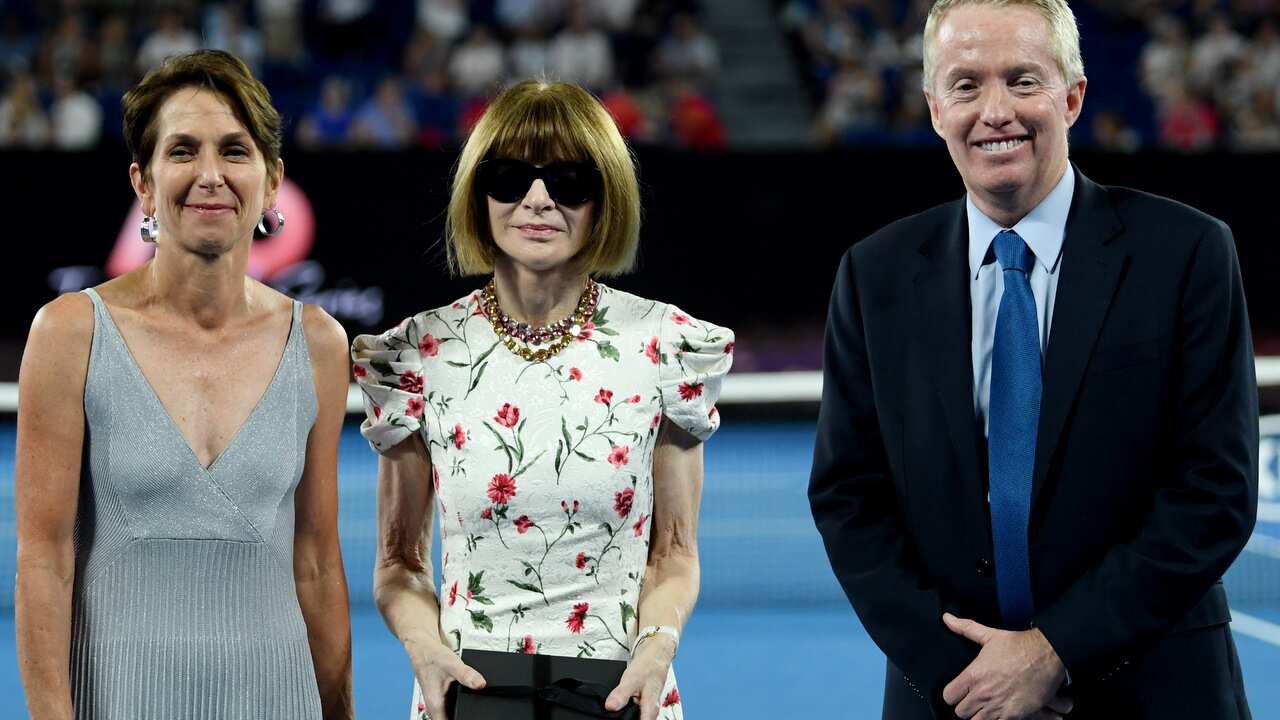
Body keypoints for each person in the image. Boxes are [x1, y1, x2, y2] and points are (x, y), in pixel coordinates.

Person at [808, 1, 1257, 718]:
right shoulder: (875, 274)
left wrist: (1055, 654)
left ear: (1072, 97)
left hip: (1156, 688)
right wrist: (970, 676)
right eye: (965, 85)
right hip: (951, 695)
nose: (996, 112)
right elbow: (848, 498)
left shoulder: (1187, 253)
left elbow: (1214, 492)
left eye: (1023, 81)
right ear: (932, 108)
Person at [351, 79, 733, 720]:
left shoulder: (665, 346)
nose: (537, 200)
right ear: (479, 193)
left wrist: (657, 647)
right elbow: (398, 563)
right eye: (510, 177)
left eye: (568, 181)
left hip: (623, 698)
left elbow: (673, 555)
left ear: (603, 199)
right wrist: (424, 649)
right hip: (464, 702)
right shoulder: (421, 354)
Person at [14, 50, 354, 719]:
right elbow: (43, 564)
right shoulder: (69, 334)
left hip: (278, 701)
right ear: (142, 183)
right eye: (182, 151)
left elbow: (315, 562)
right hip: (118, 700)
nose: (209, 175)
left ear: (271, 179)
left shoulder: (318, 344)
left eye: (234, 150)